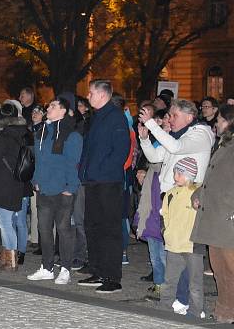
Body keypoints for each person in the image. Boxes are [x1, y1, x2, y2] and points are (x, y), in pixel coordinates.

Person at [76, 80, 131, 293]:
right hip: (93, 180)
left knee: (109, 229)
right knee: (93, 226)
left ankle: (112, 276)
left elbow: (120, 151)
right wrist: (84, 171)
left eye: (90, 93)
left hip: (108, 181)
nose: (88, 97)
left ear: (101, 95)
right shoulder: (96, 117)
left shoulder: (115, 117)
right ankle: (98, 270)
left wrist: (100, 170)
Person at [28, 98, 82, 285]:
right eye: (48, 105)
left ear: (63, 111)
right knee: (44, 229)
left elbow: (73, 163)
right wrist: (36, 180)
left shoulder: (71, 135)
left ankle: (65, 268)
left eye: (53, 106)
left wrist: (70, 187)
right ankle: (47, 267)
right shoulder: (42, 132)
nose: (48, 108)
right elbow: (39, 160)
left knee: (64, 229)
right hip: (44, 188)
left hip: (63, 189)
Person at [190, 104, 234, 323]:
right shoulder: (223, 144)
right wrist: (198, 193)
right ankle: (225, 311)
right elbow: (212, 177)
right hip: (216, 216)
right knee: (220, 269)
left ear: (228, 121)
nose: (216, 124)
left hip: (228, 217)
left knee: (230, 267)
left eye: (219, 120)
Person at [0, 103, 29, 272]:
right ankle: (6, 256)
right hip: (17, 184)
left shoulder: (3, 138)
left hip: (1, 185)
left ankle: (11, 261)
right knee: (9, 222)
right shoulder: (23, 135)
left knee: (5, 224)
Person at [159, 157, 205, 318]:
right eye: (175, 173)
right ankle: (164, 307)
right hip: (173, 244)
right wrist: (166, 231)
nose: (175, 176)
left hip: (192, 245)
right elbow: (164, 214)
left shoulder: (197, 193)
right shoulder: (170, 194)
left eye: (179, 173)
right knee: (169, 280)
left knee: (195, 282)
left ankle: (196, 310)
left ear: (189, 175)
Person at [134, 107, 169, 298]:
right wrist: (145, 139)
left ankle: (165, 283)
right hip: (152, 190)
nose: (164, 122)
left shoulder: (175, 141)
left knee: (162, 244)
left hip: (162, 191)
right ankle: (158, 280)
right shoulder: (160, 140)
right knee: (153, 242)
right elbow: (150, 158)